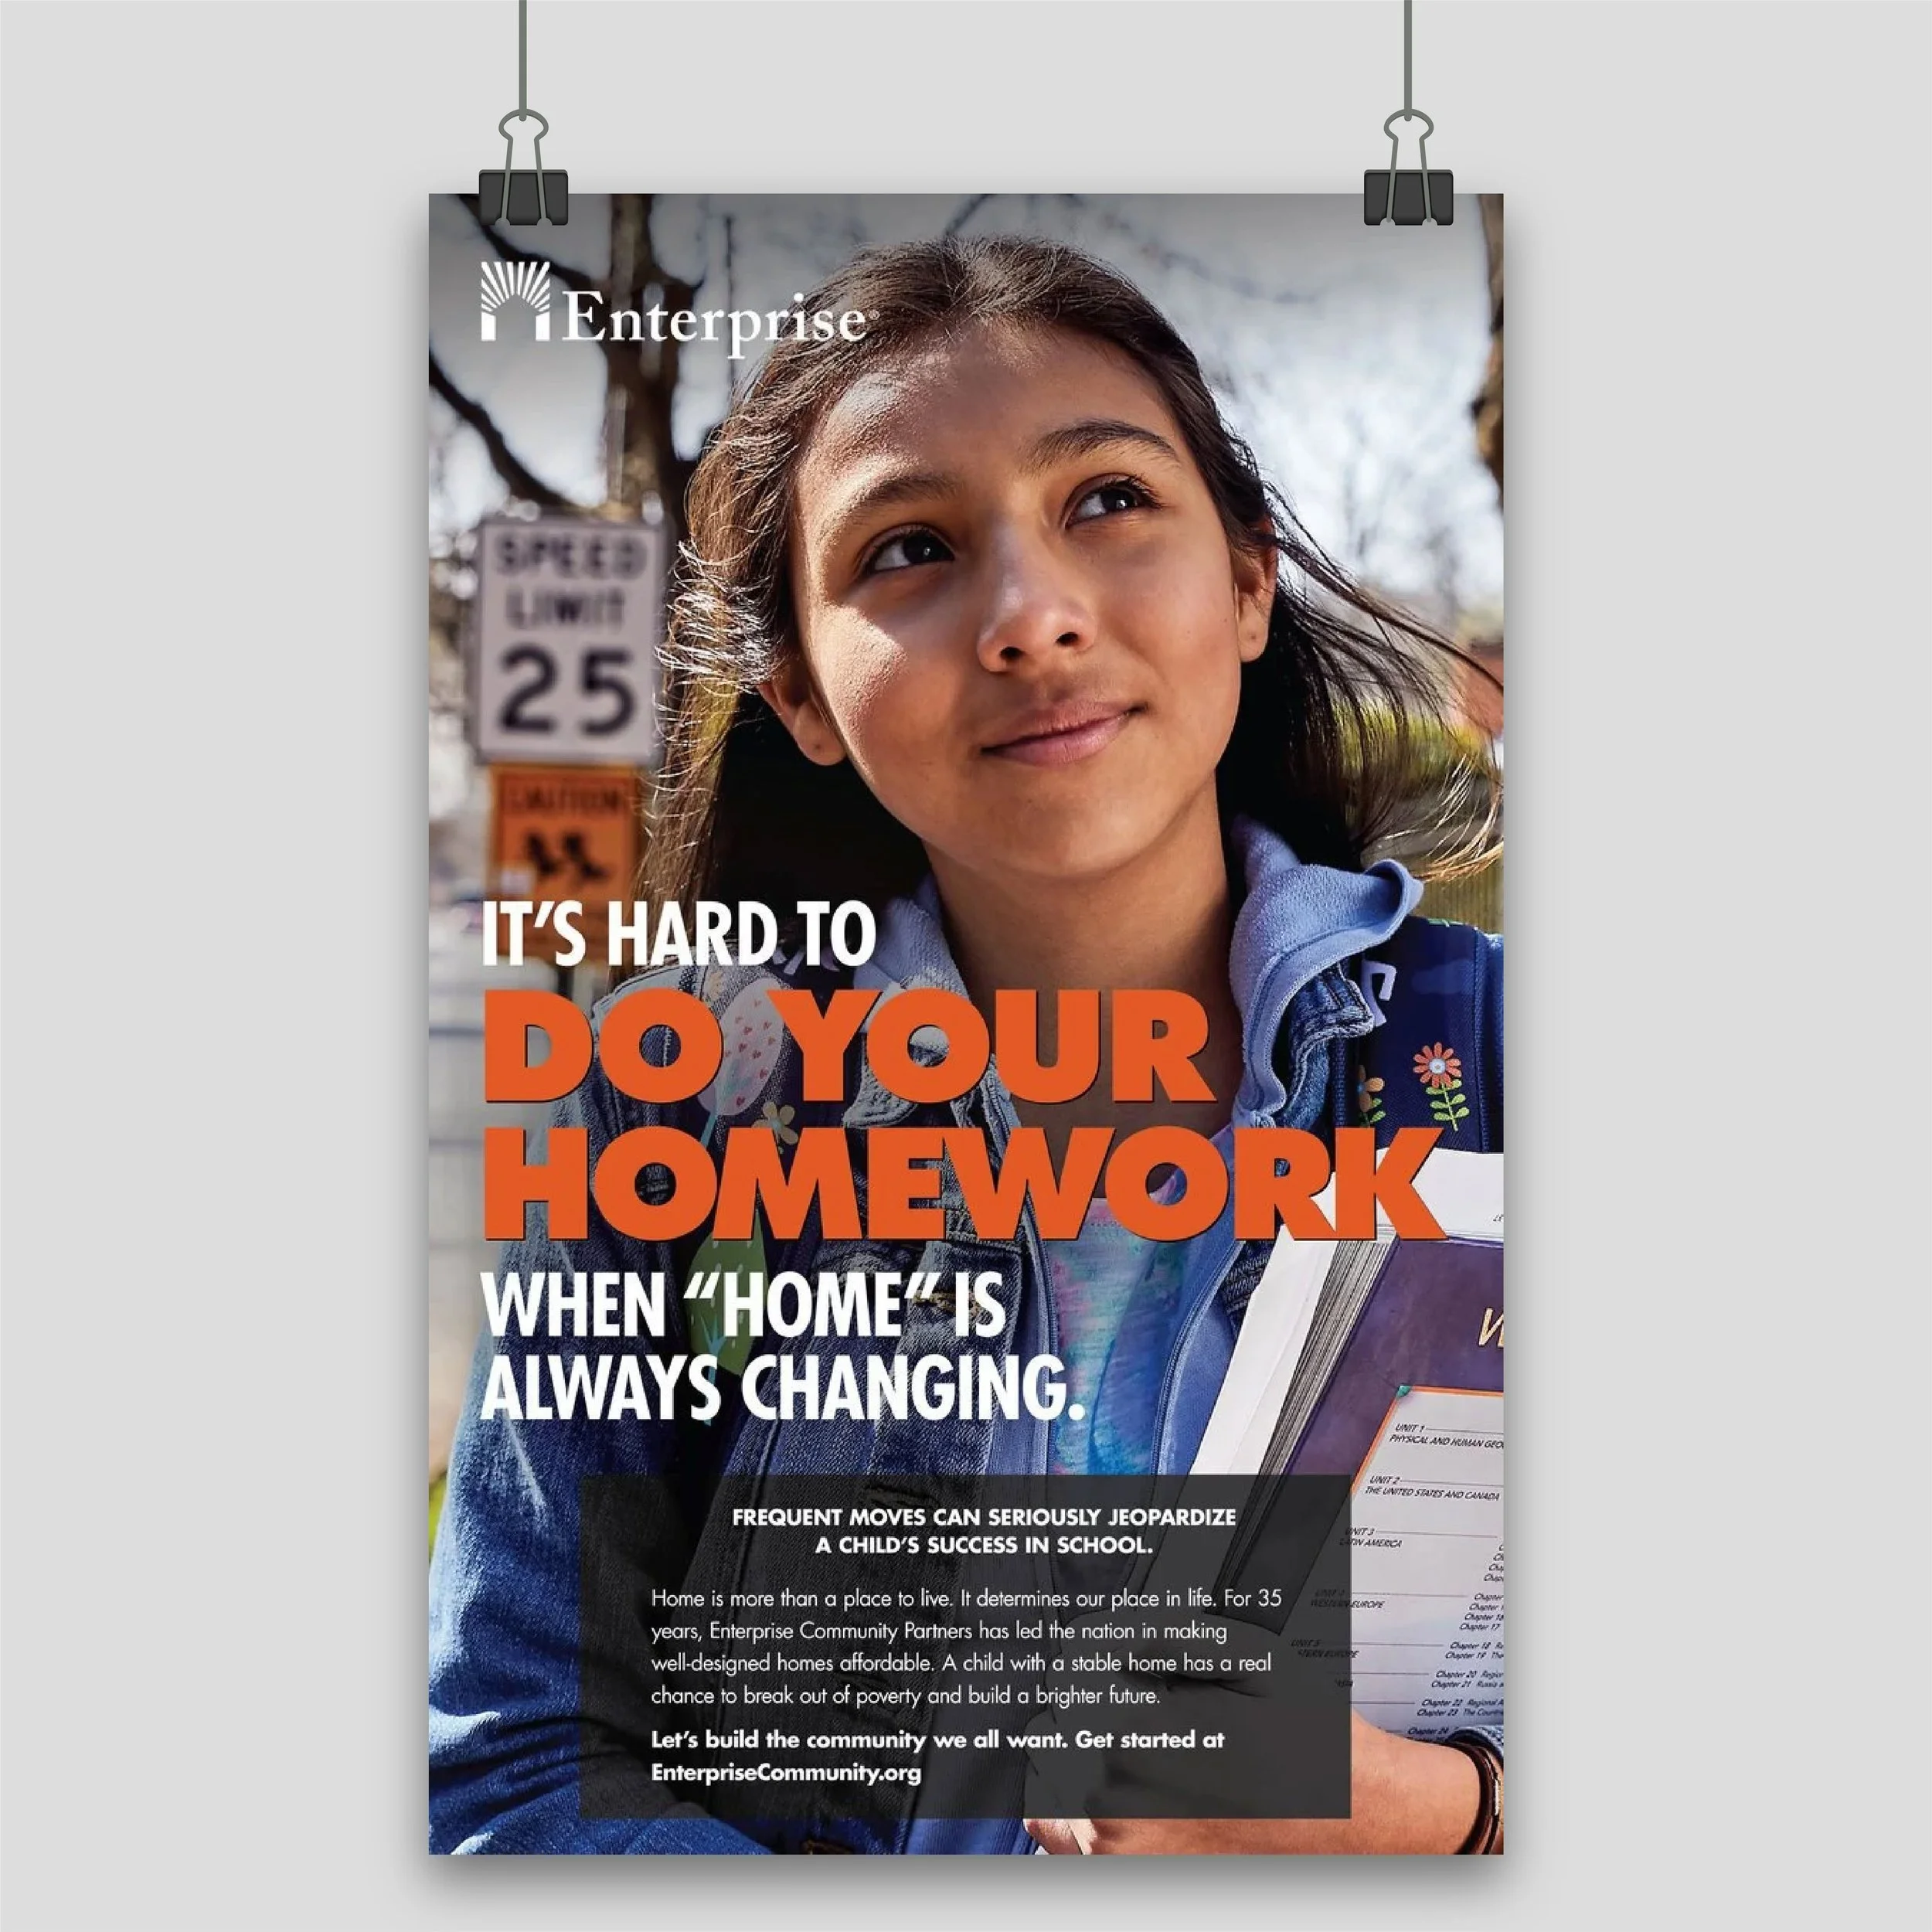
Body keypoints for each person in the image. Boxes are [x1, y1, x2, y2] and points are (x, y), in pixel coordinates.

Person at [430, 233, 1503, 1855]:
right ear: (798, 691)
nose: (1027, 615)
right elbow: (513, 1772)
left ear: (1245, 575)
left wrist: (1453, 1815)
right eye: (909, 548)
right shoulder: (677, 1113)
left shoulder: (1500, 1060)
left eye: (1105, 502)